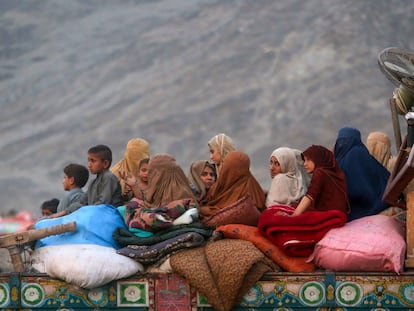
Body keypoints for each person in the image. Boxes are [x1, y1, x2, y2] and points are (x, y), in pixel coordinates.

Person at [124, 153, 198, 232]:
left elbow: (159, 219)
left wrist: (141, 213)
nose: (149, 175)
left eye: (151, 172)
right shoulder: (160, 190)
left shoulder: (180, 194)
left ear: (160, 174)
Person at [333, 127, 390, 221]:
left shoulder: (348, 157)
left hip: (348, 213)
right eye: (340, 141)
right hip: (375, 206)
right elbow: (385, 179)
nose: (341, 144)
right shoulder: (363, 154)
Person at [57, 144, 123, 216]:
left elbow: (103, 204)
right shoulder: (93, 183)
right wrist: (65, 212)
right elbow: (81, 202)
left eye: (93, 161)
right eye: (89, 161)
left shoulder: (109, 178)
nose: (89, 165)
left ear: (105, 164)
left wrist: (84, 209)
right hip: (95, 214)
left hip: (108, 216)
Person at [199, 150, 266, 219]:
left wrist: (202, 210)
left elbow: (223, 212)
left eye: (225, 165)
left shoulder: (219, 187)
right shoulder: (256, 189)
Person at [292, 145, 349, 216]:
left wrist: (294, 215)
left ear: (317, 159)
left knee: (294, 206)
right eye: (304, 160)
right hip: (341, 213)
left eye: (308, 160)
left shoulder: (319, 172)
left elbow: (309, 196)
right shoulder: (334, 173)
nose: (304, 164)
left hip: (329, 214)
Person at [111, 138, 150, 203]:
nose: (135, 159)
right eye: (132, 154)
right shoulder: (116, 172)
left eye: (139, 155)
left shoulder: (154, 171)